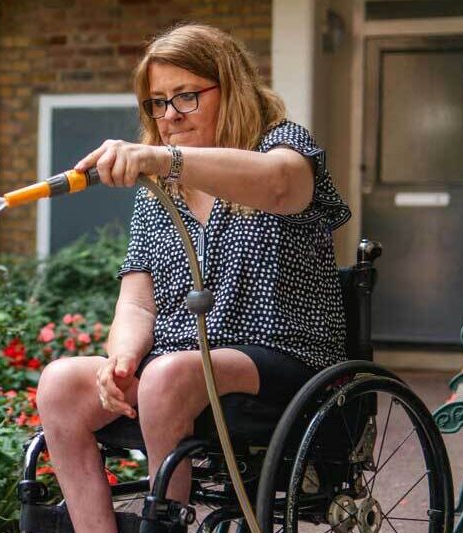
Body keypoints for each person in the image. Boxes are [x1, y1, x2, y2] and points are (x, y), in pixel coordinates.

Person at [35, 23, 352, 533]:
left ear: (231, 88)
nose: (169, 116)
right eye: (157, 103)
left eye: (186, 96)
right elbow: (137, 302)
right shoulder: (157, 191)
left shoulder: (282, 145)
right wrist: (122, 358)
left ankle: (165, 524)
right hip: (182, 366)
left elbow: (281, 187)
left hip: (285, 358)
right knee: (60, 386)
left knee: (167, 375)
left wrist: (164, 158)